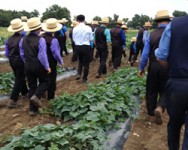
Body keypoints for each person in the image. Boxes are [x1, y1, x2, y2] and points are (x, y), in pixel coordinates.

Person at [155, 14, 188, 149]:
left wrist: (174, 69)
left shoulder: (175, 25)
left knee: (174, 124)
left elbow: (161, 55)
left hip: (177, 82)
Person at [138, 10, 171, 125]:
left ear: (157, 21)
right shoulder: (172, 34)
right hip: (167, 67)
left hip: (153, 66)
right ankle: (160, 107)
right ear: (168, 20)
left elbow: (145, 54)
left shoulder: (151, 34)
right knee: (165, 89)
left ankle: (151, 112)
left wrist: (141, 68)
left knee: (151, 89)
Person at [19, 17, 51, 116]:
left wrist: (27, 62)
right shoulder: (40, 40)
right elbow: (42, 56)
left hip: (28, 66)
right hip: (38, 65)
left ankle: (32, 110)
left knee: (32, 86)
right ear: (38, 29)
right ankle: (36, 96)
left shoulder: (23, 39)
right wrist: (47, 67)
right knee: (45, 81)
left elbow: (22, 53)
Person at [5, 18, 28, 108]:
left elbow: (7, 53)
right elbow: (24, 53)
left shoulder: (9, 39)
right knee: (19, 79)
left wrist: (12, 58)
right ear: (21, 28)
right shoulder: (23, 39)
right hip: (20, 61)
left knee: (20, 77)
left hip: (12, 61)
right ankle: (12, 100)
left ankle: (25, 93)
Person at [41, 18, 64, 100]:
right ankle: (51, 97)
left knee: (43, 78)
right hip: (50, 61)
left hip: (41, 61)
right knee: (52, 79)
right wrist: (61, 61)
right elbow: (56, 53)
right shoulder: (53, 40)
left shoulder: (41, 37)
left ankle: (42, 93)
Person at [72, 14, 93, 83]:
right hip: (86, 46)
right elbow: (91, 39)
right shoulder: (88, 28)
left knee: (80, 61)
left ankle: (79, 74)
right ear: (84, 20)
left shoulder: (75, 28)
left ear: (77, 20)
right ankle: (84, 78)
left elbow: (74, 39)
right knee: (86, 64)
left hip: (77, 47)